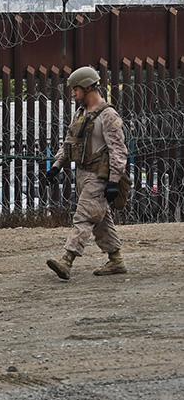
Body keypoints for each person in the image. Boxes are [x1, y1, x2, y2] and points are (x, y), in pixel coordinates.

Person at [45, 66, 129, 280]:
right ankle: (116, 260)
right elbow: (70, 142)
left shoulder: (108, 115)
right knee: (100, 220)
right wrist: (56, 166)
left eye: (76, 90)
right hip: (83, 174)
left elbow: (118, 151)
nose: (73, 94)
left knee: (83, 217)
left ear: (87, 87)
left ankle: (67, 259)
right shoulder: (81, 113)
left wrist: (113, 181)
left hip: (99, 177)